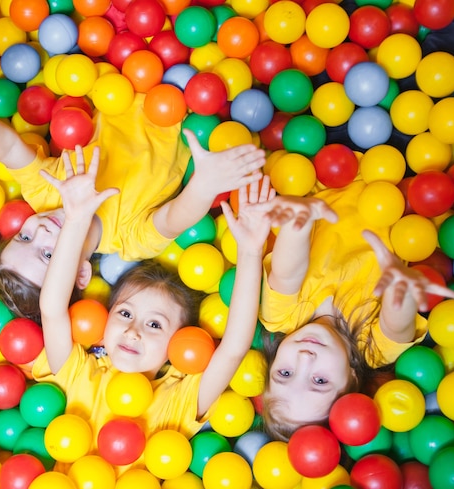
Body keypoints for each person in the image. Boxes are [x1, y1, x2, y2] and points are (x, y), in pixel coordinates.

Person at [0, 46, 267, 323]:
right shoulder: (127, 238)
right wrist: (206, 182)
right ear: (79, 273)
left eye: (24, 237)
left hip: (125, 69)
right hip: (191, 98)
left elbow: (9, 146)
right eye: (47, 254)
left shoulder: (46, 193)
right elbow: (175, 217)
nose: (41, 229)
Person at [32, 144, 274, 473]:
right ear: (105, 322)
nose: (133, 330)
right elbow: (52, 308)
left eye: (155, 325)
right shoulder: (80, 377)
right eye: (125, 314)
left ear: (176, 346)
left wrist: (250, 252)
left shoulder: (178, 400)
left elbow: (234, 348)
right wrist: (75, 220)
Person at [253, 180, 454, 441]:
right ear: (351, 377)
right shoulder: (372, 350)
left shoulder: (280, 317)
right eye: (319, 381)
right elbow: (397, 328)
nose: (304, 358)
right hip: (401, 193)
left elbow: (286, 271)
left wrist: (298, 224)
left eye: (285, 373)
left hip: (335, 179)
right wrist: (400, 288)